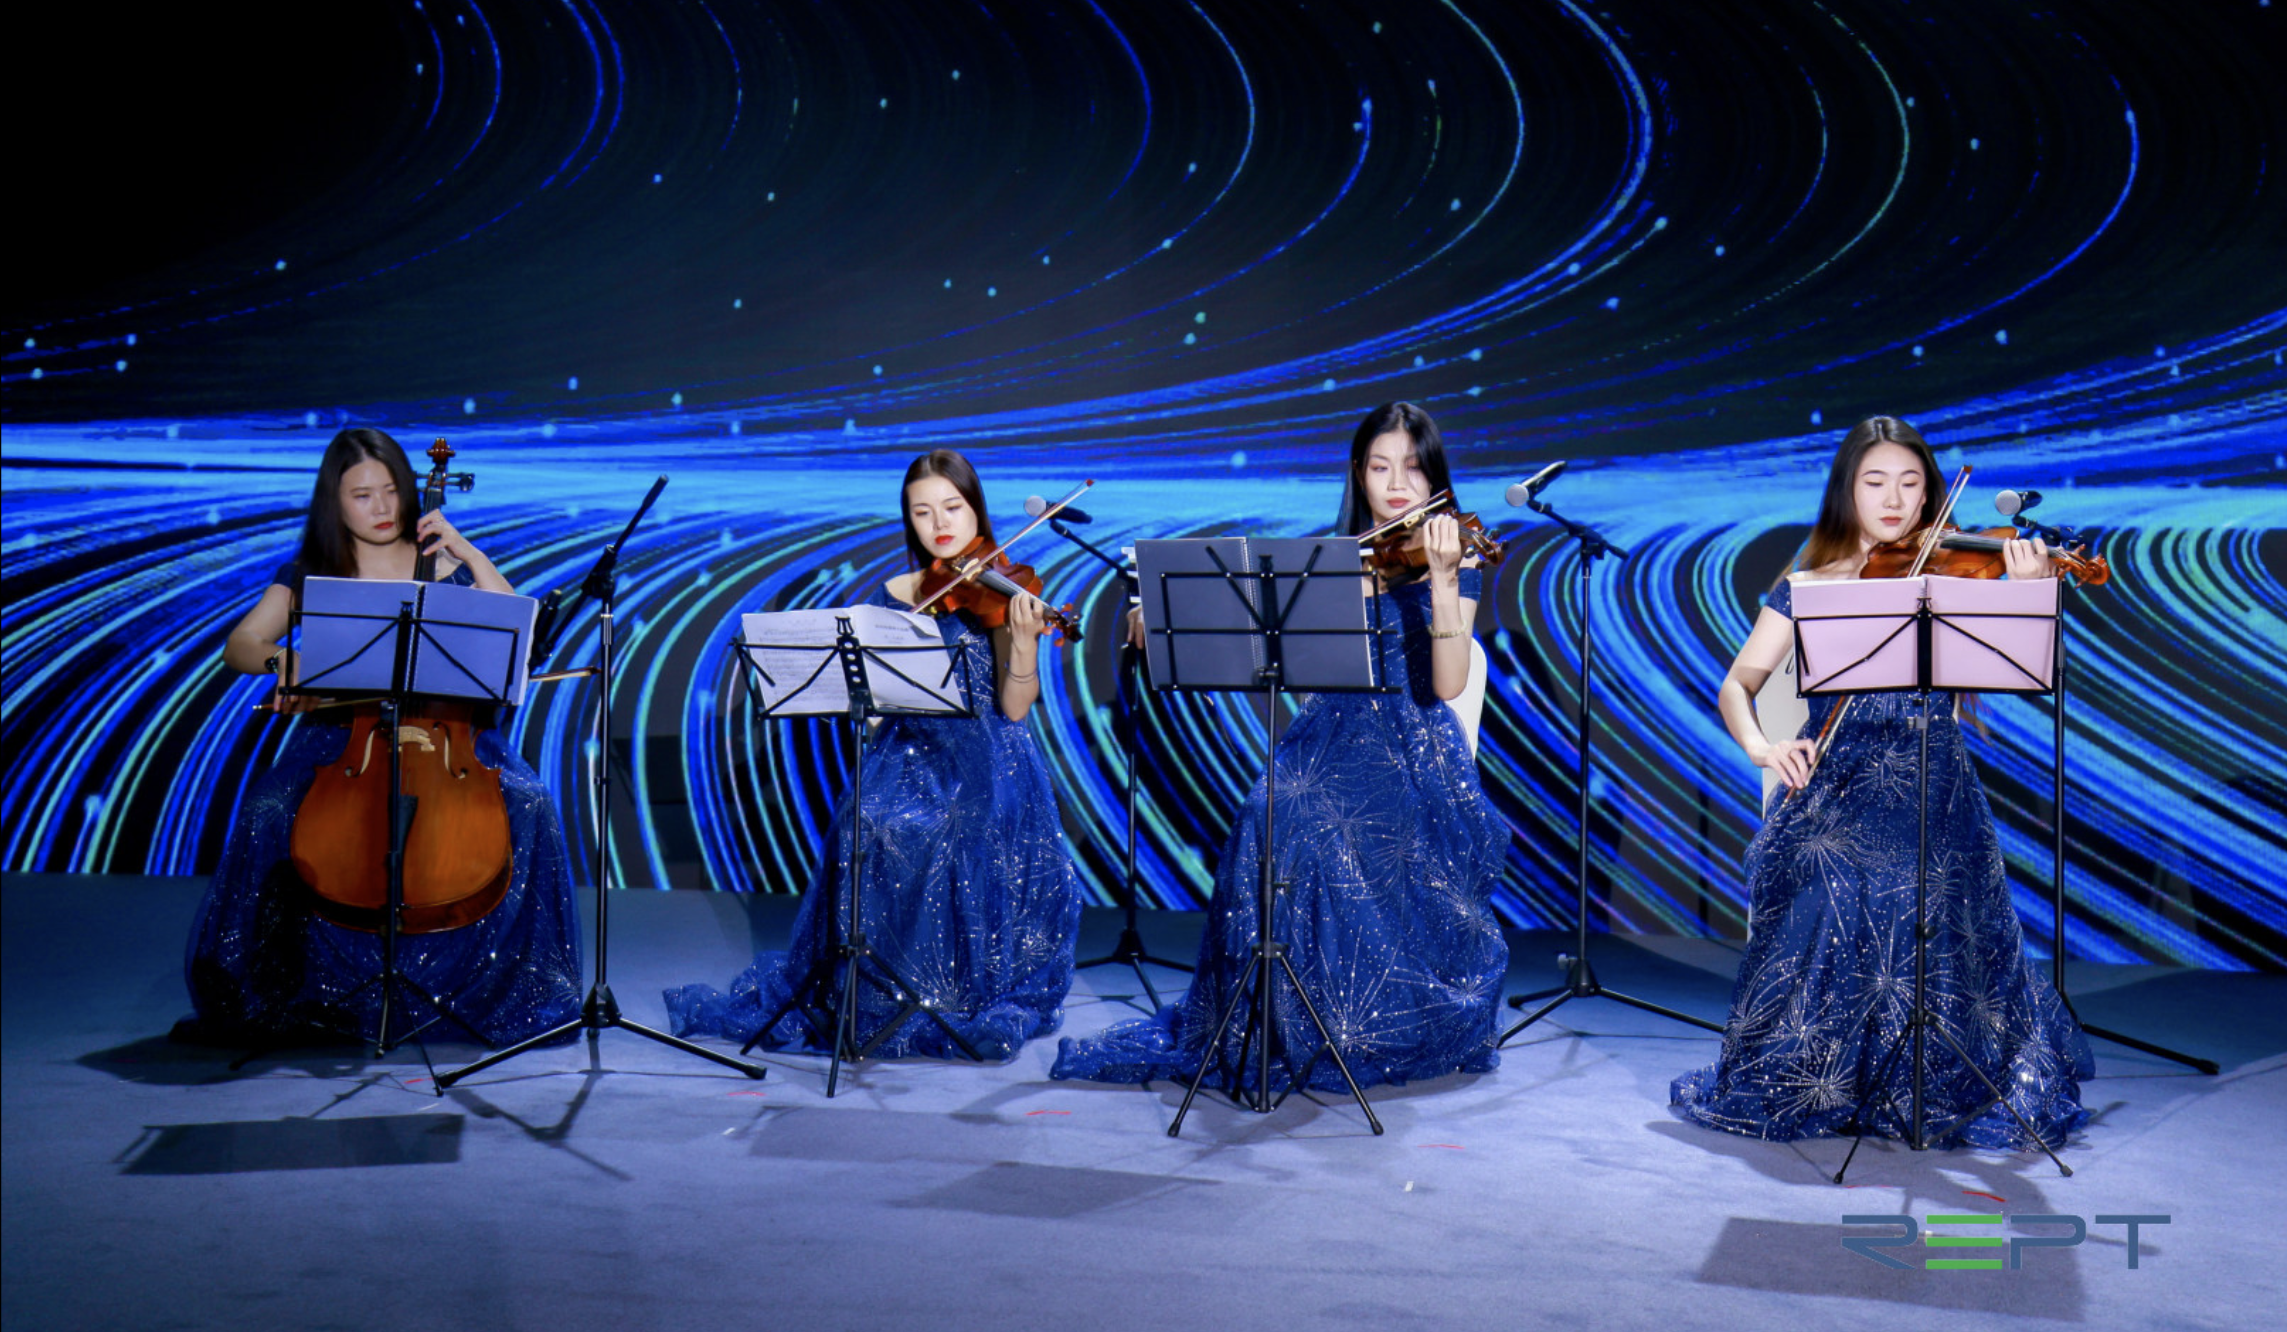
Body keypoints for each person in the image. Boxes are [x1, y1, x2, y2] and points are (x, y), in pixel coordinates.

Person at [1051, 401, 1509, 1093]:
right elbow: (1259, 645)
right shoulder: (1330, 561)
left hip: (1411, 752)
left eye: (1413, 469)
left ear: (1435, 477)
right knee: (1268, 812)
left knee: (1320, 831)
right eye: (1379, 467)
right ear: (1357, 474)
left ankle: (1352, 1016)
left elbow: (1447, 683)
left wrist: (1443, 580)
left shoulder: (1455, 559)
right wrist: (1168, 618)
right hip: (1329, 736)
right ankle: (1275, 1016)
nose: (1396, 484)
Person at [1671, 416, 2092, 1149]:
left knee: (1926, 886)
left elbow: (2020, 673)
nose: (1893, 499)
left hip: (1932, 783)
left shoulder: (1952, 577)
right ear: (1847, 492)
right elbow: (1737, 685)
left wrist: (2028, 597)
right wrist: (1764, 747)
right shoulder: (1808, 585)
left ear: (1930, 494)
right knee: (1828, 874)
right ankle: (1831, 1071)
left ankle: (1920, 1070)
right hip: (1833, 785)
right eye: (1874, 482)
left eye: (1909, 482)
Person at [664, 449, 1082, 1061]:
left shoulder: (1003, 588)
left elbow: (1015, 708)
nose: (940, 524)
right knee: (867, 820)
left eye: (952, 507)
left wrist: (1022, 644)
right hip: (910, 752)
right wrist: (858, 695)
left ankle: (952, 989)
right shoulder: (899, 594)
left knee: (953, 826)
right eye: (922, 512)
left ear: (976, 509)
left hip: (990, 757)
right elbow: (884, 708)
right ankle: (879, 984)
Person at [181, 427, 583, 1048]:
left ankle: (515, 987)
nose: (382, 508)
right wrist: (285, 661)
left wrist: (469, 553)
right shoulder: (313, 571)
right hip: (344, 738)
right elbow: (241, 644)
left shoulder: (443, 562)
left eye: (391, 491)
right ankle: (270, 989)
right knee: (267, 811)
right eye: (362, 495)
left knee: (531, 803)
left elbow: (516, 637)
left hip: (450, 737)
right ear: (334, 502)